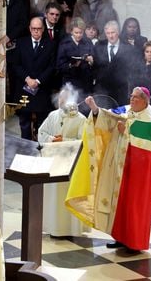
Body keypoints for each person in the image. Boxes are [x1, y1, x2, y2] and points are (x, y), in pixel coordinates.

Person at [65, 87, 151, 254]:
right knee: (119, 204)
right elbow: (109, 117)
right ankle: (120, 238)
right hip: (119, 169)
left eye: (136, 98)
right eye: (131, 96)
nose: (132, 100)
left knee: (132, 206)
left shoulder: (148, 121)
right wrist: (94, 109)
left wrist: (126, 132)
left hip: (136, 174)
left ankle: (133, 243)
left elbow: (145, 151)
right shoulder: (127, 110)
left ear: (145, 101)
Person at [38, 84, 86, 236]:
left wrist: (64, 140)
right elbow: (41, 132)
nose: (61, 100)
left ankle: (70, 228)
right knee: (54, 197)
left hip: (70, 165)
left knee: (67, 195)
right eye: (60, 97)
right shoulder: (53, 115)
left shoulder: (80, 119)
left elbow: (82, 141)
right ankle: (54, 227)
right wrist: (52, 139)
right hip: (54, 162)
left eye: (65, 98)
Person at [12, 16, 55, 140]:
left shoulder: (50, 44)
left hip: (41, 89)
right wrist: (27, 79)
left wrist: (38, 81)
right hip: (24, 88)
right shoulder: (21, 43)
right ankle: (25, 146)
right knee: (24, 123)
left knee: (42, 123)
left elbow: (52, 66)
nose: (36, 31)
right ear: (30, 29)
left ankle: (41, 146)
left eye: (39, 29)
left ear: (43, 30)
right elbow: (16, 65)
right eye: (34, 29)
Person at [93, 20, 135, 106]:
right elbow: (95, 67)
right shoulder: (99, 46)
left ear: (118, 32)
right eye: (108, 33)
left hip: (120, 92)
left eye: (113, 32)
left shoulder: (128, 48)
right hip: (102, 91)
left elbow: (131, 69)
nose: (111, 36)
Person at [56, 17, 94, 98]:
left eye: (81, 32)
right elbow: (59, 66)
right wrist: (71, 65)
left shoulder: (88, 41)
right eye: (76, 33)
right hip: (70, 82)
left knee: (85, 108)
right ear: (71, 31)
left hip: (85, 83)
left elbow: (95, 60)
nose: (79, 35)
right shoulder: (64, 43)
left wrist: (91, 60)